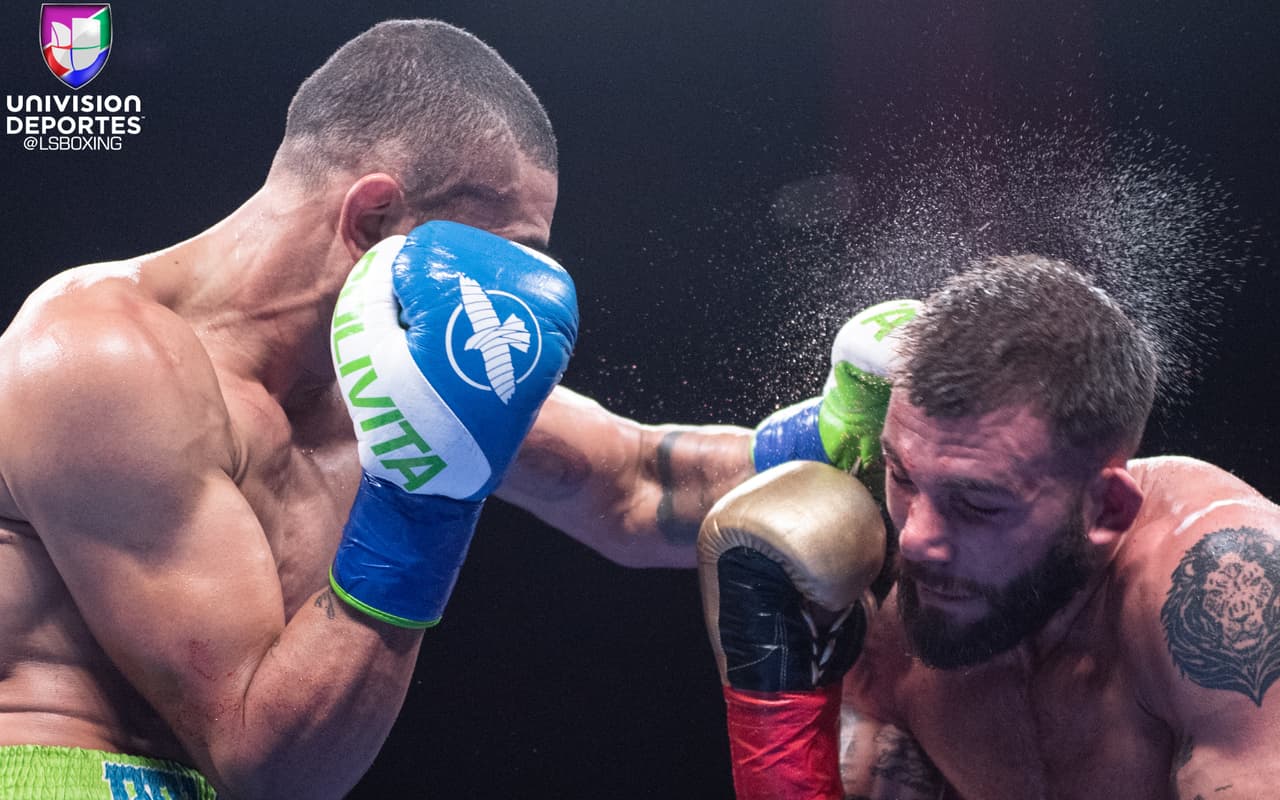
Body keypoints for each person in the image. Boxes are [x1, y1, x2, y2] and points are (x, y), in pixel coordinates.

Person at [0, 18, 890, 799]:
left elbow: (636, 483)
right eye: (503, 254)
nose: (505, 300)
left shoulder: (384, 364)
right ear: (375, 215)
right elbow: (261, 760)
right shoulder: (103, 357)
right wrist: (423, 500)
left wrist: (850, 428)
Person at [698, 254, 1280, 799]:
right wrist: (778, 720)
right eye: (900, 477)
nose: (916, 539)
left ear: (1106, 512)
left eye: (975, 505)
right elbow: (625, 481)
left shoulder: (1225, 601)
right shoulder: (899, 628)